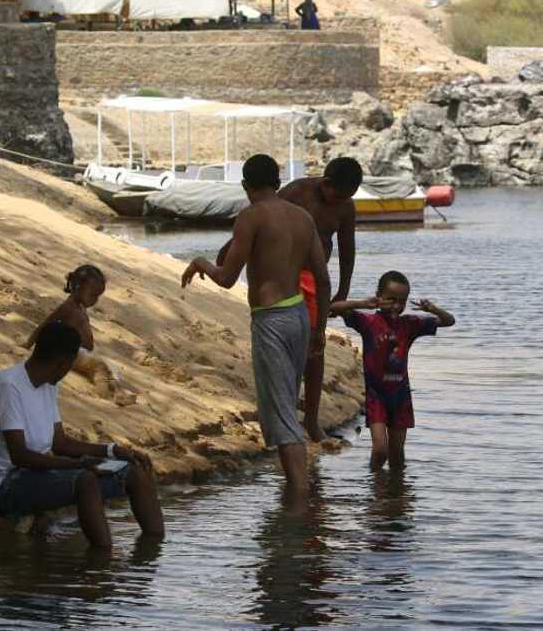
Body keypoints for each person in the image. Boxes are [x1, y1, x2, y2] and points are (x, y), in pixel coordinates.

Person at [182, 154, 331, 493]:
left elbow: (226, 278)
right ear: (277, 183)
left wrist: (201, 262)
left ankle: (298, 500)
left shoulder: (250, 217)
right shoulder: (303, 218)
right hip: (299, 316)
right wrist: (319, 328)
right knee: (286, 405)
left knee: (281, 414)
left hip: (272, 320)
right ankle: (295, 493)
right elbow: (322, 280)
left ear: (246, 186)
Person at [0, 321, 164, 547]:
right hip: (6, 483)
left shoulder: (47, 383)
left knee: (135, 472)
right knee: (85, 481)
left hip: (38, 473)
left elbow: (61, 443)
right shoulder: (9, 386)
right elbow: (20, 456)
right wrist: (77, 466)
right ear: (61, 363)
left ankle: (152, 553)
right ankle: (103, 563)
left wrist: (114, 451)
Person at [216, 157, 363, 442]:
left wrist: (343, 290)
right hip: (289, 273)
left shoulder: (345, 208)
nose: (339, 201)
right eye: (338, 194)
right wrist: (228, 250)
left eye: (346, 197)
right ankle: (286, 414)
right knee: (294, 343)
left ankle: (311, 419)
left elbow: (347, 248)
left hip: (317, 278)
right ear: (326, 183)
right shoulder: (297, 192)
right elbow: (259, 213)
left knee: (315, 348)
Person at [330, 270, 455, 471]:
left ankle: (397, 494)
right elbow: (333, 307)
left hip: (400, 396)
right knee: (380, 450)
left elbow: (449, 321)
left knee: (397, 453)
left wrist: (433, 309)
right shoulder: (368, 322)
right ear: (379, 295)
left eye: (402, 301)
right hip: (376, 396)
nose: (396, 306)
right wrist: (364, 304)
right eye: (390, 299)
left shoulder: (410, 324)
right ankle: (374, 485)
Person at [26, 265, 118, 390]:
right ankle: (106, 393)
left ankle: (113, 387)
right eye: (93, 295)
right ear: (79, 288)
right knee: (98, 367)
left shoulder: (80, 307)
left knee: (108, 367)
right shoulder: (68, 307)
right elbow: (46, 324)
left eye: (98, 297)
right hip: (69, 353)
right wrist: (28, 344)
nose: (95, 300)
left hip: (81, 351)